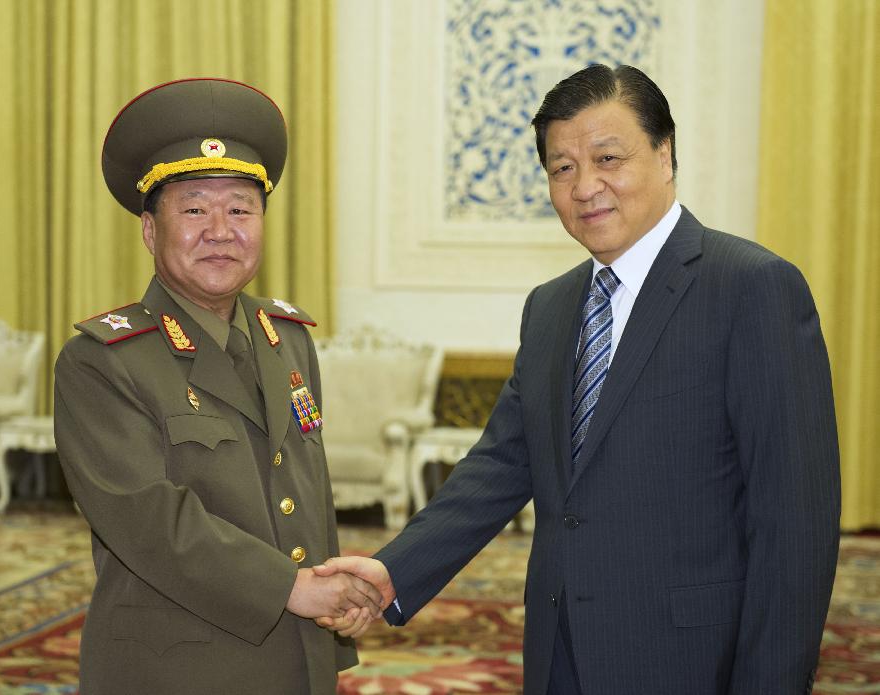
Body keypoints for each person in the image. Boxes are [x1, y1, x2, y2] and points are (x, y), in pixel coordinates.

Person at [314, 64, 841, 695]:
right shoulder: (552, 307)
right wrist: (391, 572)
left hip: (694, 659)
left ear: (665, 154)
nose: (585, 186)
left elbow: (795, 523)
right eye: (562, 168)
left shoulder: (751, 288)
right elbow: (501, 465)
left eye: (608, 158)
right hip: (561, 652)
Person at [53, 78, 381, 695]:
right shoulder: (102, 362)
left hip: (297, 651)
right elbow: (150, 521)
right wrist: (294, 588)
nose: (221, 230)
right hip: (177, 666)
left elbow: (303, 490)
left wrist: (333, 628)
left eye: (240, 209)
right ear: (151, 231)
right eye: (195, 209)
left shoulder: (288, 338)